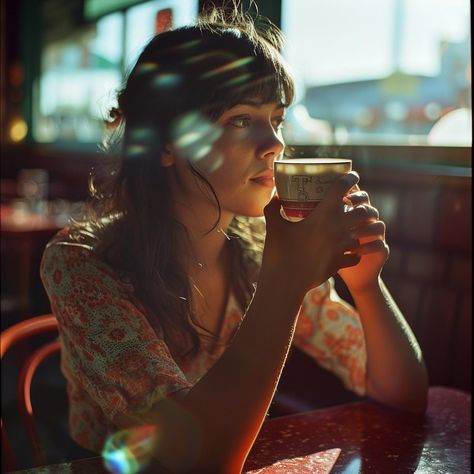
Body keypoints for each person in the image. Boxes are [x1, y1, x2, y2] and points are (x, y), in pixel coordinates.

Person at [40, 3, 428, 472]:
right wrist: (284, 283)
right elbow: (197, 459)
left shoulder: (262, 245)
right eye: (241, 120)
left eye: (277, 119)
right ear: (165, 143)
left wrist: (366, 284)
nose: (276, 144)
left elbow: (401, 394)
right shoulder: (80, 264)